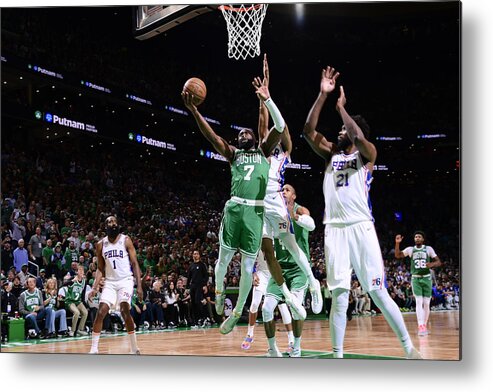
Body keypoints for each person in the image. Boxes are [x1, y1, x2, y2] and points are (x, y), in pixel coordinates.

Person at [303, 66, 421, 359]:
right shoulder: (331, 153)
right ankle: (338, 355)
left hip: (361, 227)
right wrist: (322, 95)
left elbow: (356, 136)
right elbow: (307, 131)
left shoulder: (367, 154)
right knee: (340, 295)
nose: (339, 130)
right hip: (335, 229)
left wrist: (342, 109)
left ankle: (408, 348)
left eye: (343, 128)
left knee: (378, 292)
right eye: (340, 127)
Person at [182, 73, 298, 335]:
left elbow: (278, 127)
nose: (245, 133)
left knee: (248, 267)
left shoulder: (264, 151)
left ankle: (236, 314)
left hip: (256, 212)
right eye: (240, 133)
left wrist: (267, 100)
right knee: (222, 261)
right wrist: (194, 112)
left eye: (248, 132)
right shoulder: (233, 154)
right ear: (237, 140)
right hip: (235, 208)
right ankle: (220, 292)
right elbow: (211, 136)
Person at [256, 54, 322, 318]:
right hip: (260, 207)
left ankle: (313, 284)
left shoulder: (285, 152)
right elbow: (262, 122)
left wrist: (270, 98)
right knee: (266, 251)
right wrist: (262, 96)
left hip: (274, 202)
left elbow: (280, 128)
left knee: (293, 246)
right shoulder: (262, 150)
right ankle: (285, 300)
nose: (270, 136)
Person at [261, 184, 316, 357]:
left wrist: (296, 217)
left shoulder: (301, 209)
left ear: (294, 196)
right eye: (282, 190)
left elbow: (311, 225)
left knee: (295, 308)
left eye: (287, 190)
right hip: (280, 268)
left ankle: (297, 346)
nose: (283, 192)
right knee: (266, 309)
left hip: (299, 269)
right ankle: (272, 348)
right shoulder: (273, 210)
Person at [88, 215, 143, 354]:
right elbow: (100, 268)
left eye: (114, 221)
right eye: (109, 222)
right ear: (105, 226)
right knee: (101, 312)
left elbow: (135, 263)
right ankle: (94, 349)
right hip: (110, 282)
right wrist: (94, 287)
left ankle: (134, 348)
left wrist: (139, 286)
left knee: (124, 309)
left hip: (125, 280)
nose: (112, 224)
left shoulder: (126, 240)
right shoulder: (101, 244)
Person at [241, 249, 294, 352]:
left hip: (275, 274)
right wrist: (253, 273)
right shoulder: (260, 235)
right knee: (255, 303)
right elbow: (250, 256)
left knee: (282, 307)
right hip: (262, 274)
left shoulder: (279, 236)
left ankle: (291, 340)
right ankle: (250, 334)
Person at [395, 231, 442, 336]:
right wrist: (397, 243)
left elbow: (439, 262)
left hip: (426, 278)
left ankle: (424, 325)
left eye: (419, 237)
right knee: (418, 301)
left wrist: (432, 264)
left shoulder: (428, 249)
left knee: (426, 303)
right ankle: (420, 325)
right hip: (416, 278)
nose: (417, 238)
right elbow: (398, 255)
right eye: (415, 237)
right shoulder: (410, 249)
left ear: (423, 239)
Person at [64, 264, 89, 337]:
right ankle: (72, 331)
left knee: (85, 312)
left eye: (82, 270)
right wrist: (72, 281)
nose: (81, 271)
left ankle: (80, 329)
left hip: (78, 301)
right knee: (77, 312)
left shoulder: (84, 282)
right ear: (77, 272)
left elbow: (83, 294)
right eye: (79, 270)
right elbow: (64, 284)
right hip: (70, 301)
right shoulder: (73, 278)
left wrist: (84, 304)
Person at [187, 250, 208, 327]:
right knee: (193, 304)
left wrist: (205, 285)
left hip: (200, 286)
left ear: (199, 255)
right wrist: (187, 288)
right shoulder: (191, 265)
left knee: (197, 302)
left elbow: (206, 276)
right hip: (193, 286)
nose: (195, 255)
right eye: (194, 254)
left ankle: (203, 318)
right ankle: (195, 321)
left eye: (196, 254)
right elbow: (189, 277)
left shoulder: (202, 265)